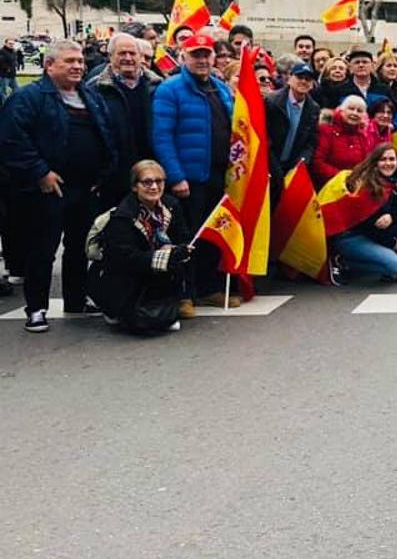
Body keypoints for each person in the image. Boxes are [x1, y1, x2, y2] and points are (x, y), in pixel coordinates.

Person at [0, 40, 117, 332]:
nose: (78, 66)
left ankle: (76, 300)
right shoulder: (29, 98)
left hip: (86, 187)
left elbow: (106, 133)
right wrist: (41, 172)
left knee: (79, 248)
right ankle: (36, 308)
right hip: (47, 189)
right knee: (43, 250)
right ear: (49, 65)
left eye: (80, 61)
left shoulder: (90, 96)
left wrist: (103, 173)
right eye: (69, 61)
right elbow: (13, 140)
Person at [150, 32, 235, 314]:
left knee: (211, 235)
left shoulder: (220, 89)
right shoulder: (170, 89)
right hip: (189, 179)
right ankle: (183, 293)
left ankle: (208, 288)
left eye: (206, 54)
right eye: (195, 54)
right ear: (184, 56)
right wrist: (175, 177)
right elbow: (162, 136)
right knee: (187, 239)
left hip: (219, 176)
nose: (201, 60)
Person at [88, 159, 192, 333]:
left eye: (159, 181)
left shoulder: (172, 206)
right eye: (147, 182)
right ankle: (115, 308)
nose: (154, 187)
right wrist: (165, 256)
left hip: (154, 271)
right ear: (135, 186)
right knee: (138, 322)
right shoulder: (122, 216)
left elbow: (183, 236)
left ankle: (162, 307)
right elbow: (126, 259)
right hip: (124, 276)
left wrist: (179, 250)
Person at [86, 32, 160, 207]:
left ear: (141, 56)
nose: (128, 58)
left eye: (132, 53)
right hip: (113, 175)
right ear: (110, 56)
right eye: (122, 53)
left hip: (149, 171)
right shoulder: (94, 88)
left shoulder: (158, 86)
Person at [330, 145, 397, 284]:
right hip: (352, 236)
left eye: (392, 159)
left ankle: (388, 265)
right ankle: (342, 262)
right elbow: (366, 223)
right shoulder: (364, 184)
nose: (388, 163)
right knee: (393, 265)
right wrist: (391, 242)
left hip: (374, 233)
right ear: (375, 162)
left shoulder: (395, 180)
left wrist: (391, 216)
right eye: (383, 159)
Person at [264, 62, 320, 186]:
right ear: (289, 78)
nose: (304, 82)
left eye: (308, 79)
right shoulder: (272, 102)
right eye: (300, 77)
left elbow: (311, 141)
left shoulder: (313, 108)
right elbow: (265, 137)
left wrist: (301, 164)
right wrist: (274, 167)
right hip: (269, 164)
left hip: (293, 166)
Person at [312, 95, 375, 185]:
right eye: (351, 109)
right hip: (326, 186)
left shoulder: (362, 136)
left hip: (352, 188)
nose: (355, 113)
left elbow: (365, 165)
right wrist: (343, 178)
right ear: (341, 111)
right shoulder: (326, 130)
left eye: (359, 111)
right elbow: (317, 163)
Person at [0, 37, 19, 102]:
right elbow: (1, 63)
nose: (11, 45)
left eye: (12, 44)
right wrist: (7, 68)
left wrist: (16, 64)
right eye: (10, 43)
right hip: (4, 76)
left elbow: (14, 60)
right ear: (5, 43)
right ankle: (4, 107)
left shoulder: (13, 51)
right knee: (3, 92)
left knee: (17, 90)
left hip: (12, 75)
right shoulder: (2, 51)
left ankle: (11, 103)